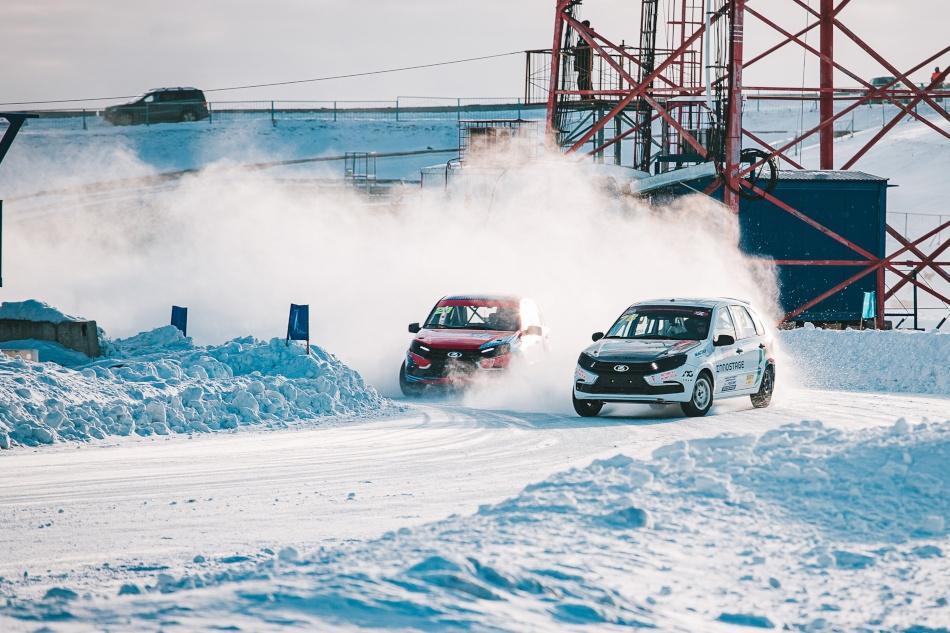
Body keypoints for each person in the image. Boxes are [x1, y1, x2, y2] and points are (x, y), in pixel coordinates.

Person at [574, 20, 594, 100]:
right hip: (583, 63)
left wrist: (575, 50)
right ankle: (589, 97)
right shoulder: (585, 38)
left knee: (582, 80)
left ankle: (587, 97)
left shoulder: (585, 38)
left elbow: (583, 50)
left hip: (584, 63)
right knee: (585, 80)